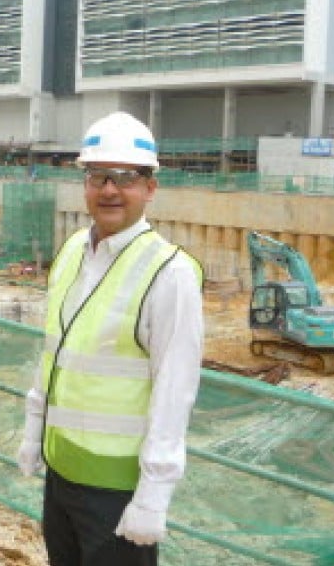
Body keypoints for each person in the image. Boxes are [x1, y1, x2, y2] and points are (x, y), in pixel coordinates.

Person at [17, 111, 204, 565]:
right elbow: (55, 356)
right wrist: (33, 431)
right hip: (62, 473)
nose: (109, 189)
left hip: (118, 490)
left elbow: (174, 390)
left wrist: (153, 495)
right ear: (84, 183)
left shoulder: (169, 272)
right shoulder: (71, 254)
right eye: (98, 175)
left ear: (150, 188)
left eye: (126, 177)